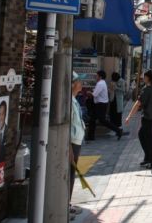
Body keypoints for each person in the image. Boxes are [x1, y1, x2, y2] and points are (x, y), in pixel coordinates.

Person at [125, 70, 152, 169]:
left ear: (148, 78)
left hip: (148, 118)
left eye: (144, 77)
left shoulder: (146, 89)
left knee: (149, 140)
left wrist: (129, 116)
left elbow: (138, 104)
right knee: (142, 134)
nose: (142, 78)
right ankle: (148, 158)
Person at [87, 70, 123, 141]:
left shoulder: (100, 84)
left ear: (100, 77)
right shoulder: (102, 83)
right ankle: (90, 136)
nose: (95, 77)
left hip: (100, 105)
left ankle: (118, 130)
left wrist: (88, 92)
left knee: (102, 121)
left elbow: (94, 94)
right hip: (100, 104)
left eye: (96, 75)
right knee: (93, 120)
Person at [70, 72, 85, 218]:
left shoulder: (74, 99)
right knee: (69, 173)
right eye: (79, 81)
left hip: (77, 141)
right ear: (73, 84)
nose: (81, 84)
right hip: (72, 143)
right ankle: (65, 205)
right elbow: (68, 125)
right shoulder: (69, 101)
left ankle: (66, 203)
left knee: (71, 173)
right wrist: (68, 148)